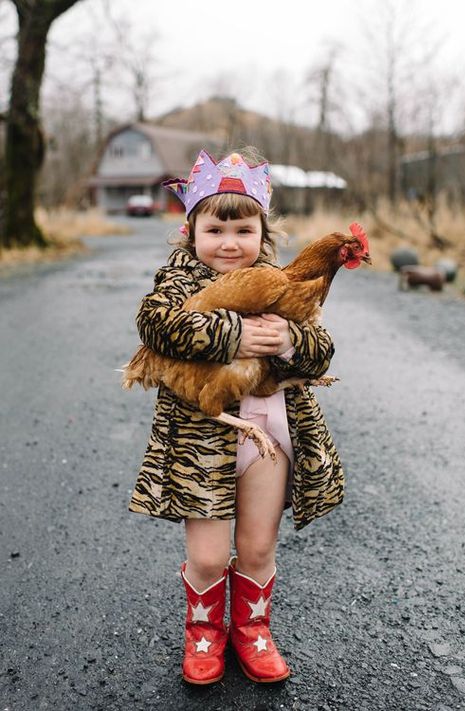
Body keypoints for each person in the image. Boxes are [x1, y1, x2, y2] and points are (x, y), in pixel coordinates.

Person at [128, 147, 344, 685]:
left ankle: (252, 629)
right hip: (204, 438)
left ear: (263, 237)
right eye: (215, 230)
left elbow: (321, 347)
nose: (229, 243)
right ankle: (204, 631)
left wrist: (291, 341)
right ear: (190, 233)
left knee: (257, 545)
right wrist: (235, 333)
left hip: (271, 432)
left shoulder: (283, 282)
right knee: (207, 556)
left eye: (244, 231)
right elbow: (157, 326)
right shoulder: (177, 280)